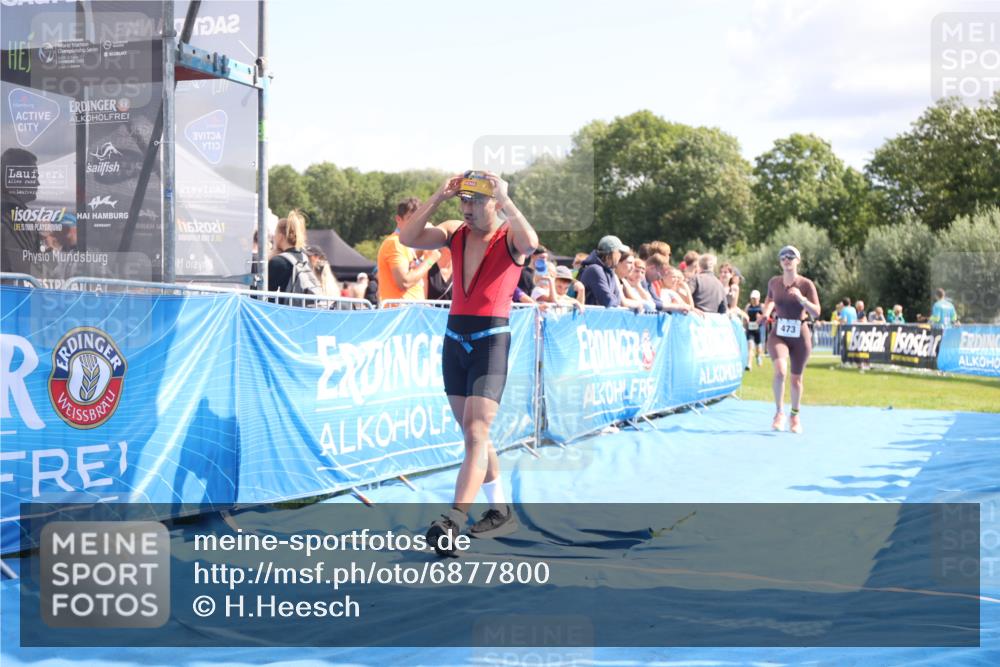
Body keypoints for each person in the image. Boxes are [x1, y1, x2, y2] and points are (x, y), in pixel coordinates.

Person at [399, 170, 537, 556]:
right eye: (464, 201)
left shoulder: (508, 235)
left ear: (494, 203)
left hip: (490, 340)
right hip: (454, 339)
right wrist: (438, 197)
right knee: (472, 432)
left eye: (476, 201)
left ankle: (453, 521)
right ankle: (500, 508)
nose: (468, 208)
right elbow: (407, 237)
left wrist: (508, 199)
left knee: (477, 431)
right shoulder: (453, 231)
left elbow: (531, 242)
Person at [761, 245, 820, 434]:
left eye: (791, 257)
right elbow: (770, 300)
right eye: (783, 257)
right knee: (780, 372)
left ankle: (794, 415)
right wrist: (766, 313)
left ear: (798, 261)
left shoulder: (806, 284)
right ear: (780, 262)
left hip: (800, 335)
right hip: (779, 333)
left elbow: (817, 313)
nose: (787, 260)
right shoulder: (774, 282)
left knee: (796, 380)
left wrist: (802, 299)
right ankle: (779, 412)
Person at [378, 198, 440, 303]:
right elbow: (404, 282)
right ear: (398, 219)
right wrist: (430, 260)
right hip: (402, 313)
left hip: (410, 311)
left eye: (419, 219)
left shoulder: (406, 244)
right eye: (411, 219)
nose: (416, 223)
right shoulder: (395, 243)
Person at [266, 210, 311, 304]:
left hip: (281, 313)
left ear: (281, 236)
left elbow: (264, 294)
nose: (274, 237)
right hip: (300, 311)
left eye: (275, 233)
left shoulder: (277, 262)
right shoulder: (304, 257)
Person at [578, 235, 630, 308]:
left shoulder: (610, 271)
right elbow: (608, 301)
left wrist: (616, 300)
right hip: (589, 318)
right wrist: (616, 300)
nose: (620, 255)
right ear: (612, 253)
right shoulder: (594, 270)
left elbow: (618, 300)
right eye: (619, 252)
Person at [745, 289, 765, 369]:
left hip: (759, 330)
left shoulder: (762, 306)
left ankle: (758, 356)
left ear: (759, 298)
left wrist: (760, 317)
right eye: (752, 298)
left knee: (758, 348)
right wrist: (745, 322)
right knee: (750, 346)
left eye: (755, 298)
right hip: (750, 329)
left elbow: (766, 317)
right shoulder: (748, 306)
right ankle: (749, 364)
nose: (754, 300)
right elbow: (745, 315)